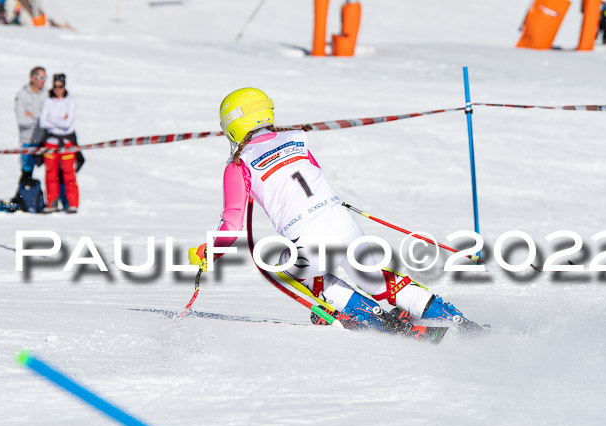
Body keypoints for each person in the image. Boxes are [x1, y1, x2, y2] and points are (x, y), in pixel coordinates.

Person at [188, 87, 483, 333]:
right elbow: (314, 176)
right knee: (375, 278)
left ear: (232, 125)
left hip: (308, 235)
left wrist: (207, 253)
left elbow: (232, 225)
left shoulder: (238, 165)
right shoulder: (295, 139)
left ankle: (375, 318)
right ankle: (457, 321)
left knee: (284, 267)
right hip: (342, 220)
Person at [38, 73, 79, 213]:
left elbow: (68, 124)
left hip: (67, 142)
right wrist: (60, 119)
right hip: (50, 142)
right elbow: (43, 122)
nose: (58, 89)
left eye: (60, 86)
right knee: (51, 174)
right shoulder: (47, 101)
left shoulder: (70, 100)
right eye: (55, 86)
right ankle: (52, 203)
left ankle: (72, 203)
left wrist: (52, 119)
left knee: (69, 173)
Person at [14, 66, 46, 181]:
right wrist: (40, 119)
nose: (43, 80)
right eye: (41, 77)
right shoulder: (22, 94)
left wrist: (32, 116)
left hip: (45, 139)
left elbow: (49, 119)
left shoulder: (47, 94)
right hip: (28, 140)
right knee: (27, 170)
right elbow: (22, 120)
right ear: (33, 78)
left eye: (45, 78)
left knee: (54, 173)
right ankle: (22, 196)